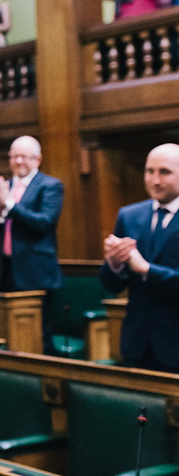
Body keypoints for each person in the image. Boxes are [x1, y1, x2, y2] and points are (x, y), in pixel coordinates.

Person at [100, 143, 179, 373]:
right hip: (137, 344)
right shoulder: (130, 215)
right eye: (149, 171)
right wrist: (114, 264)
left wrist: (146, 269)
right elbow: (111, 284)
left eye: (164, 172)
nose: (155, 180)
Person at [0, 135, 63, 353]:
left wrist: (8, 204)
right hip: (6, 270)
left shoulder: (50, 186)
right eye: (14, 156)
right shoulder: (5, 186)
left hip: (35, 274)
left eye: (24, 157)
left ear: (37, 159)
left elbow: (44, 222)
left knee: (39, 339)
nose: (19, 162)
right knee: (7, 337)